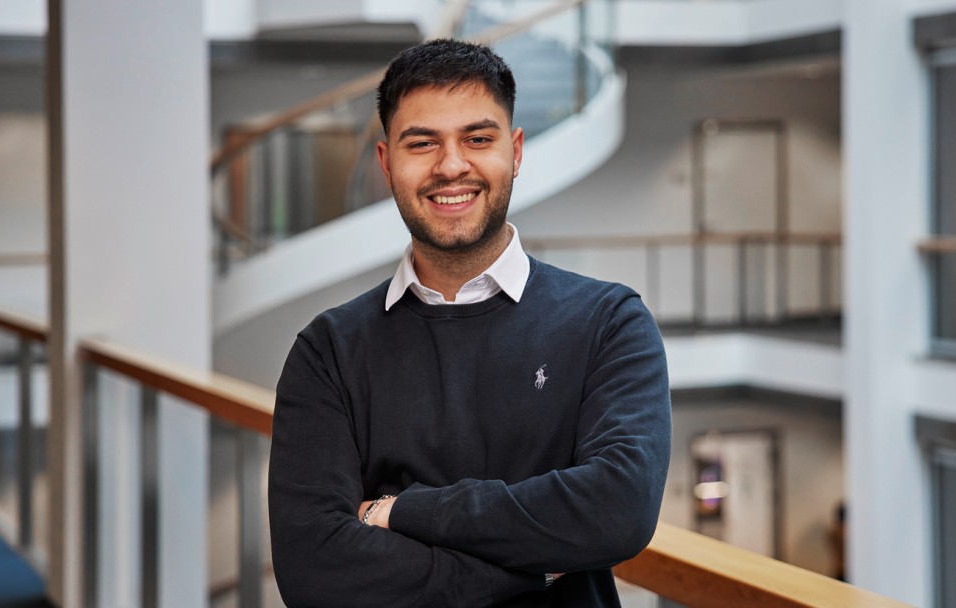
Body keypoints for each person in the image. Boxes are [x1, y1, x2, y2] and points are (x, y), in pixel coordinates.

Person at [268, 38, 671, 607]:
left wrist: (409, 512)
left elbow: (618, 509)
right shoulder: (329, 350)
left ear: (516, 150)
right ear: (387, 164)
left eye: (477, 139)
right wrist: (525, 573)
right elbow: (314, 569)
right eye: (422, 143)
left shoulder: (609, 323)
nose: (451, 165)